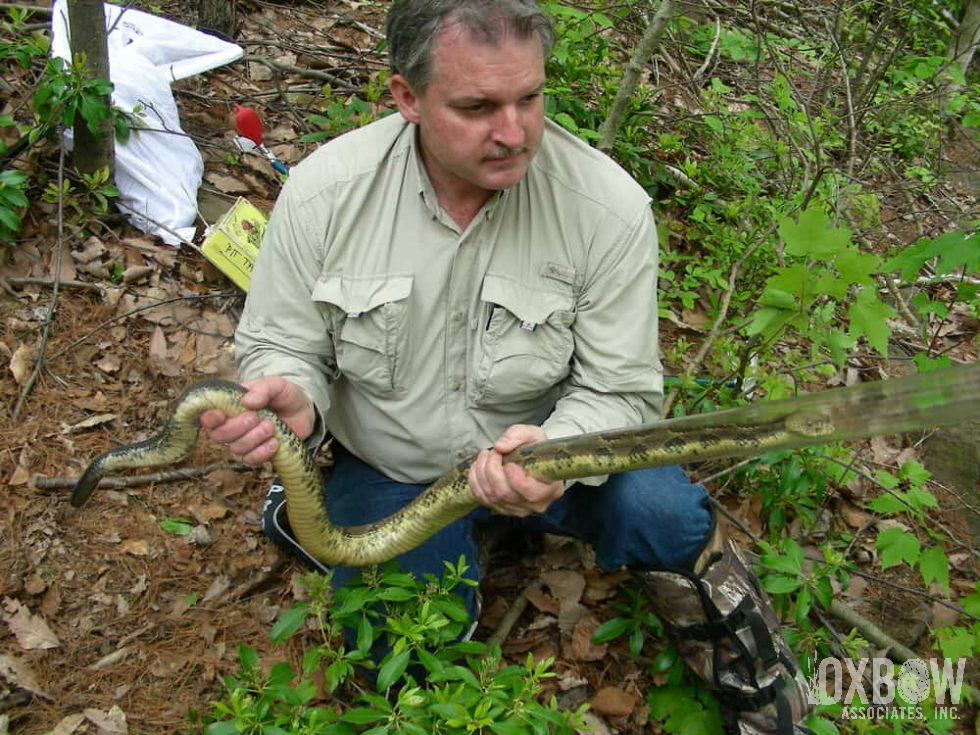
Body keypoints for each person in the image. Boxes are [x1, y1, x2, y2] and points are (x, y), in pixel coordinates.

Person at [200, 2, 812, 733]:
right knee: (394, 642)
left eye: (530, 98)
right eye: (478, 106)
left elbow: (620, 390)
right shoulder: (327, 194)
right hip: (402, 467)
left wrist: (553, 452)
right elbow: (282, 340)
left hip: (555, 454)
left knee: (663, 510)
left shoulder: (606, 208)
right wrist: (291, 394)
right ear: (406, 98)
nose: (515, 131)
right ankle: (339, 541)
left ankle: (761, 684)